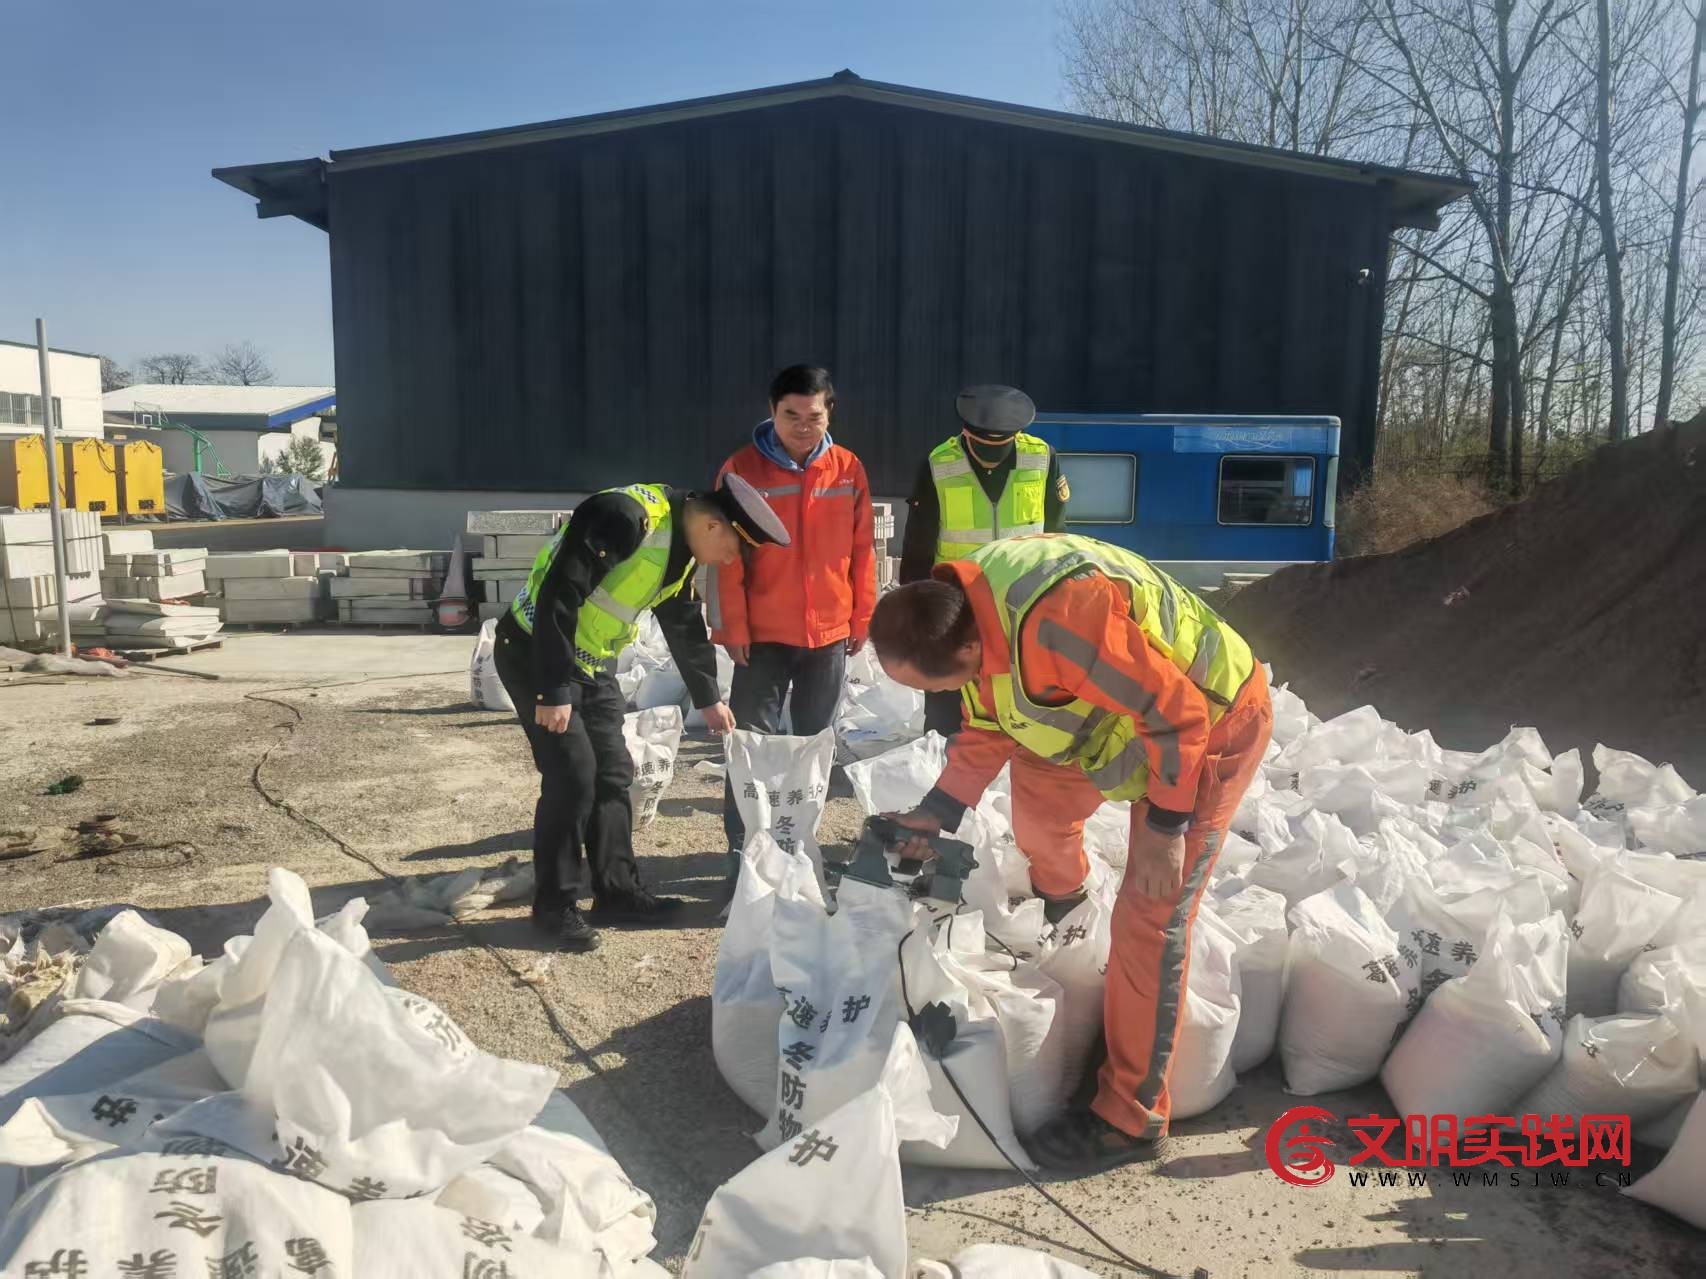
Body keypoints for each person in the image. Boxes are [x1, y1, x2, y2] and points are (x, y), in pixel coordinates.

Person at [867, 532, 1272, 1172]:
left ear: (972, 648)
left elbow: (1177, 715)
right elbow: (988, 722)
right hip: (1094, 717)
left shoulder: (1060, 617)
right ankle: (1073, 926)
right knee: (1039, 822)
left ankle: (1131, 1116)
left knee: (1149, 916)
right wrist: (936, 812)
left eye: (944, 681)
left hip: (1208, 724)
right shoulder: (957, 614)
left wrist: (1166, 829)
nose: (945, 694)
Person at [494, 476, 790, 952]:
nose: (731, 562)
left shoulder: (682, 547)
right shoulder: (624, 517)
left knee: (615, 773)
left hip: (591, 663)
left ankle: (616, 893)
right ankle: (553, 908)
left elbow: (681, 619)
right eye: (735, 549)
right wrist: (551, 690)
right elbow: (560, 594)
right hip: (537, 654)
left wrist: (709, 697)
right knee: (573, 776)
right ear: (714, 525)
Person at [708, 365, 877, 879]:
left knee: (812, 744)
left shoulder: (848, 469)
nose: (804, 426)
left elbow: (862, 550)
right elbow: (723, 558)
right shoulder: (741, 471)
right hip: (762, 635)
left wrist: (861, 616)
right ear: (772, 411)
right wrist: (731, 627)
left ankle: (799, 845)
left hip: (827, 634)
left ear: (830, 413)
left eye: (815, 415)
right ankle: (743, 851)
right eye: (791, 415)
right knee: (750, 746)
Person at [898, 384, 1070, 737]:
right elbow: (918, 546)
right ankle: (944, 761)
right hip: (955, 606)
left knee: (1019, 695)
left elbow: (1057, 535)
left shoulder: (1043, 459)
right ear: (966, 433)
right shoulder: (939, 464)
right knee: (948, 698)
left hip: (1021, 605)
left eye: (1002, 446)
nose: (992, 455)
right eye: (983, 447)